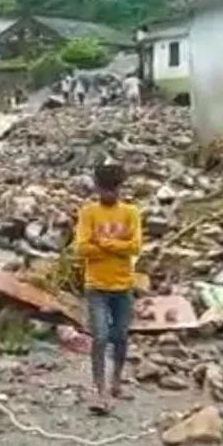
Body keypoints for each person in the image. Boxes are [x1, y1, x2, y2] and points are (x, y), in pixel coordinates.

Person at [73, 162, 142, 413]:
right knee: (100, 337)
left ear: (121, 189)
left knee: (121, 337)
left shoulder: (131, 212)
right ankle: (99, 388)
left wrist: (102, 243)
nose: (110, 195)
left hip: (123, 285)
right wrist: (116, 245)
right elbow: (81, 248)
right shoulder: (88, 213)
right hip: (97, 286)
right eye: (106, 190)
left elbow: (135, 246)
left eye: (115, 190)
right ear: (98, 189)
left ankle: (116, 381)